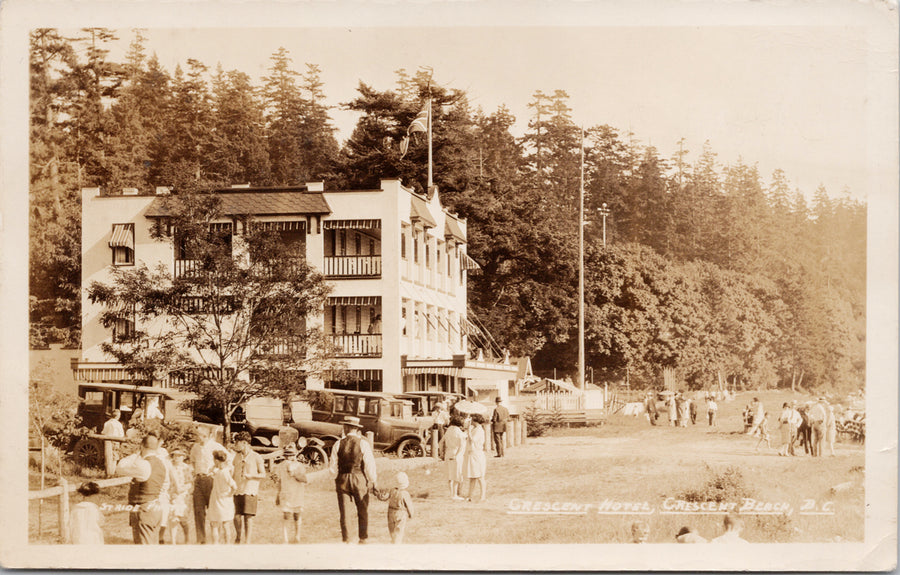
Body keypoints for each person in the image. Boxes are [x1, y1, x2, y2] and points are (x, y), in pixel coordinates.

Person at [329, 416, 377, 544]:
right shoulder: (363, 443)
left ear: (346, 427)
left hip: (342, 478)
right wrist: (373, 480)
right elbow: (369, 464)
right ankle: (363, 538)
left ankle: (347, 539)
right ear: (356, 428)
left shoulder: (338, 444)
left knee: (345, 512)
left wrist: (336, 477)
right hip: (359, 478)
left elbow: (333, 467)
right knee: (362, 509)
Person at [116, 434, 168, 544]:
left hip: (144, 509)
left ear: (142, 446)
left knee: (144, 547)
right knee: (153, 543)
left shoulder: (143, 464)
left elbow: (120, 468)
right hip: (156, 506)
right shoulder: (161, 463)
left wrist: (136, 454)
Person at [189, 426, 227, 544]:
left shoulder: (216, 446)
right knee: (199, 510)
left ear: (208, 436)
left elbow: (227, 461)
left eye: (201, 435)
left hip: (212, 480)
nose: (199, 438)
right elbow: (192, 462)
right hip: (199, 480)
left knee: (214, 510)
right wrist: (192, 477)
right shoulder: (195, 447)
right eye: (197, 435)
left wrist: (217, 472)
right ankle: (201, 539)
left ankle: (216, 539)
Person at [231, 431, 266, 544]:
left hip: (250, 490)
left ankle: (247, 540)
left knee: (248, 517)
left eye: (238, 442)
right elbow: (233, 472)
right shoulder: (236, 457)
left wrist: (251, 476)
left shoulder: (256, 457)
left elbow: (263, 474)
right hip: (237, 490)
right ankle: (238, 536)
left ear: (245, 443)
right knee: (236, 516)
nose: (235, 445)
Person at [275, 444, 308, 543]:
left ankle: (297, 536)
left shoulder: (300, 466)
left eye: (292, 455)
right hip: (286, 492)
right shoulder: (281, 466)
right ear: (284, 456)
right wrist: (278, 495)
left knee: (297, 515)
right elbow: (280, 481)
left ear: (295, 456)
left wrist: (294, 474)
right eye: (287, 455)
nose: (289, 458)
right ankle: (285, 538)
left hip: (297, 492)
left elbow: (304, 479)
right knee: (286, 514)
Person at [376, 472, 414, 544]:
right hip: (400, 512)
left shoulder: (392, 490)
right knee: (399, 529)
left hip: (390, 511)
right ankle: (397, 543)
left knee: (392, 529)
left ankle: (393, 541)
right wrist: (411, 514)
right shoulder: (405, 493)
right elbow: (409, 505)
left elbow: (384, 497)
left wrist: (379, 495)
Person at [207, 450, 236, 544]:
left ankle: (217, 545)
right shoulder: (221, 471)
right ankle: (226, 545)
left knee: (216, 524)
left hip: (219, 499)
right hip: (223, 500)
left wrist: (230, 494)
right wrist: (229, 494)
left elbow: (234, 487)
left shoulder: (223, 472)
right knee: (225, 524)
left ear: (216, 460)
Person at [439, 414, 467, 500]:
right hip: (456, 455)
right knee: (457, 475)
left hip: (448, 453)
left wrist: (441, 454)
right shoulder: (460, 433)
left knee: (450, 475)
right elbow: (462, 446)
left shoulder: (448, 430)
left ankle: (451, 494)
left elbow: (440, 443)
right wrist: (457, 455)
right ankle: (455, 495)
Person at [168, 449, 193, 544]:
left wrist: (182, 490)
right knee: (173, 519)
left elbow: (190, 483)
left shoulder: (186, 468)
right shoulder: (170, 468)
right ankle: (173, 542)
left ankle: (187, 538)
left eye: (179, 456)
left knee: (183, 519)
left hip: (183, 496)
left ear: (183, 457)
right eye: (175, 456)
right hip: (173, 495)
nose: (177, 458)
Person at [464, 413, 487, 502]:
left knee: (480, 476)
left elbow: (473, 439)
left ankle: (483, 496)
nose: (471, 422)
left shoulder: (479, 430)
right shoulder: (475, 429)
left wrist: (469, 431)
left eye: (472, 420)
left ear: (475, 421)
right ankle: (470, 495)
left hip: (477, 454)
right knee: (472, 476)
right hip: (472, 454)